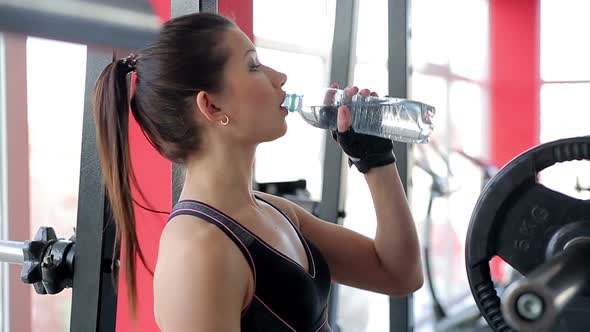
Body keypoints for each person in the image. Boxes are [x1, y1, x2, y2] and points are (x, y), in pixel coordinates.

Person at [92, 12, 423, 332]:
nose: (279, 76)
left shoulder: (273, 211)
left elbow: (398, 274)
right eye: (253, 66)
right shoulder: (199, 250)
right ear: (212, 106)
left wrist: (375, 160)